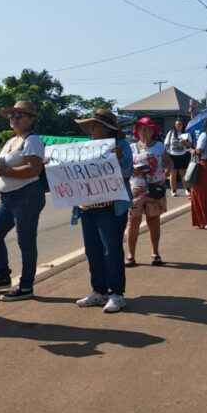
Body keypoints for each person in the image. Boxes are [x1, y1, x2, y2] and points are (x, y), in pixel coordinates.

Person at [0, 100, 46, 301]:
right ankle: (2, 278)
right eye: (11, 116)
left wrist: (6, 171)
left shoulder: (32, 140)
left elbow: (34, 169)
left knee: (25, 241)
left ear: (31, 119)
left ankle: (26, 286)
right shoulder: (11, 141)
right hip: (7, 198)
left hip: (26, 196)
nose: (14, 119)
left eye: (19, 116)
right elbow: (0, 167)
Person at [72, 109, 133, 313]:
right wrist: (54, 165)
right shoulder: (82, 147)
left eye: (95, 125)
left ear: (108, 129)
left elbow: (128, 172)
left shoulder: (121, 146)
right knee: (92, 251)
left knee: (111, 251)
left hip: (110, 208)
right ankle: (98, 291)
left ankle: (117, 294)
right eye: (89, 125)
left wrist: (120, 158)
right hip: (87, 207)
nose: (91, 129)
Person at [126, 117, 170, 266]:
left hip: (154, 187)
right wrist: (133, 170)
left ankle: (155, 254)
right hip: (136, 188)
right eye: (140, 129)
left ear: (152, 131)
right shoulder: (131, 147)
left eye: (146, 128)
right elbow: (125, 167)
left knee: (153, 221)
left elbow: (169, 162)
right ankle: (130, 255)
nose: (142, 131)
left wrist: (167, 170)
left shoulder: (159, 146)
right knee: (133, 221)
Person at [164, 119, 192, 197]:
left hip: (183, 155)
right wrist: (167, 153)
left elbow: (190, 144)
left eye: (179, 124)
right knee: (173, 174)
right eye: (176, 124)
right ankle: (173, 191)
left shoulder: (186, 133)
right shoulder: (171, 133)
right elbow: (166, 144)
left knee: (183, 173)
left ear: (182, 125)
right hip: (172, 156)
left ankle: (187, 190)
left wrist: (185, 143)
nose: (178, 126)